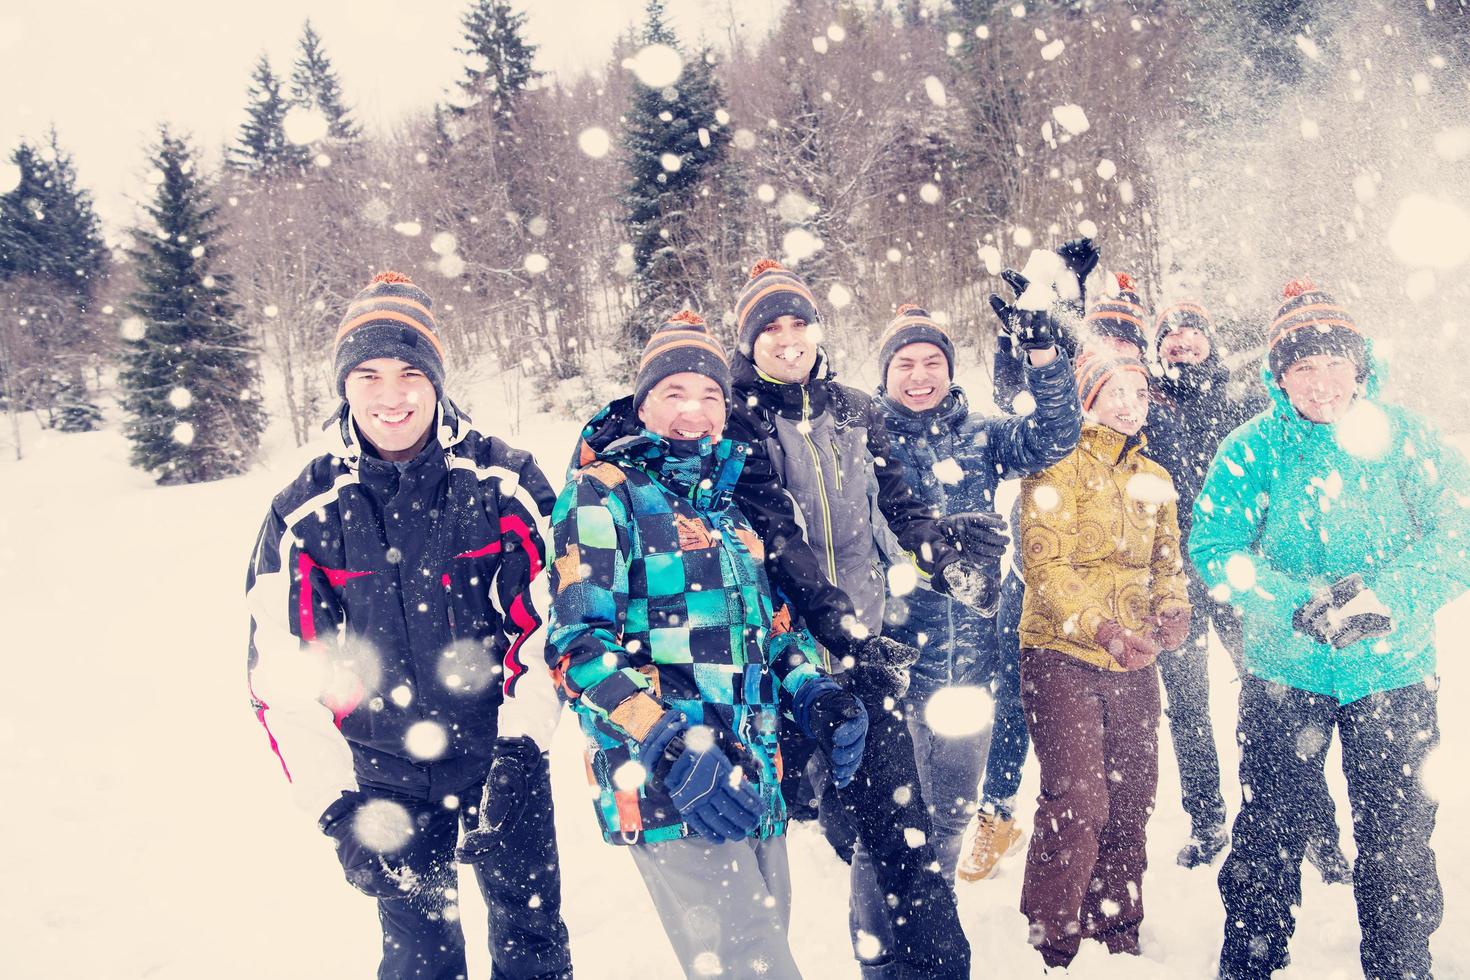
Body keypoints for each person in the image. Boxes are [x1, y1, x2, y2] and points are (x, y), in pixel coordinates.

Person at [245, 272, 572, 980]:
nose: (390, 396)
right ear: (343, 386)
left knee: (531, 945)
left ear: (437, 380)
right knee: (419, 961)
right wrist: (336, 809)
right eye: (368, 375)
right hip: (385, 775)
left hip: (499, 759)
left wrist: (519, 748)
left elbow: (547, 625)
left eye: (408, 373)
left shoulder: (503, 483)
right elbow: (282, 677)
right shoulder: (306, 513)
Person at [546, 312, 868, 979]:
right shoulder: (603, 497)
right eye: (674, 394)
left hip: (754, 779)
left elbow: (772, 635)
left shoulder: (728, 513)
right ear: (641, 406)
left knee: (757, 956)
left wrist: (819, 695)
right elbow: (579, 654)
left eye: (710, 395)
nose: (694, 411)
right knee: (756, 969)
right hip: (671, 786)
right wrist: (668, 745)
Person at [727, 260, 1001, 979]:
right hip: (782, 659)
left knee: (902, 839)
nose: (788, 340)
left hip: (863, 652)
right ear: (748, 341)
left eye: (798, 324)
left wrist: (943, 555)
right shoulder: (735, 418)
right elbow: (775, 535)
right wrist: (832, 623)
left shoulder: (853, 410)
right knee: (780, 843)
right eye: (770, 328)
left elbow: (898, 502)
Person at [1191, 280, 1469, 979]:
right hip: (1287, 674)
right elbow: (1214, 547)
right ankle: (1251, 961)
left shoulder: (1407, 439)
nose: (1321, 383)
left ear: (1361, 367)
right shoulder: (1251, 448)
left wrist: (1388, 597)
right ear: (1278, 376)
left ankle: (1400, 965)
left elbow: (1458, 534)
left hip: (1394, 672)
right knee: (1266, 838)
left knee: (1398, 842)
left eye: (1335, 364)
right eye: (1303, 368)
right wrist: (1291, 602)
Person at [873, 303, 1081, 884]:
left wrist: (1043, 359)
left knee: (956, 810)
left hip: (971, 653)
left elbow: (1055, 437)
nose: (920, 376)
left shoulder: (981, 432)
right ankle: (899, 930)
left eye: (932, 362)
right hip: (897, 654)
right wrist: (928, 546)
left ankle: (933, 912)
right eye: (905, 364)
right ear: (884, 374)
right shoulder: (863, 438)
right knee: (897, 815)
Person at [1144, 300, 1350, 873]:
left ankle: (1316, 829)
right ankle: (1208, 823)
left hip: (1243, 570)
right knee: (1186, 707)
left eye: (1191, 333)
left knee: (1280, 698)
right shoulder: (1146, 406)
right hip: (1172, 577)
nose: (1181, 342)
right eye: (1170, 336)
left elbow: (1300, 429)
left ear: (1209, 341)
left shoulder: (1243, 399)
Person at [1016, 349, 1190, 969]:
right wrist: (1101, 628)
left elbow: (1167, 562)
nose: (1127, 404)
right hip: (1060, 651)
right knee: (1080, 795)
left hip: (1135, 657)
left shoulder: (1157, 478)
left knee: (1133, 793)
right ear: (1086, 398)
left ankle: (1117, 920)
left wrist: (1172, 607)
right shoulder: (1054, 469)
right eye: (1112, 391)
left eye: (1138, 393)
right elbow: (1043, 566)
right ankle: (1054, 933)